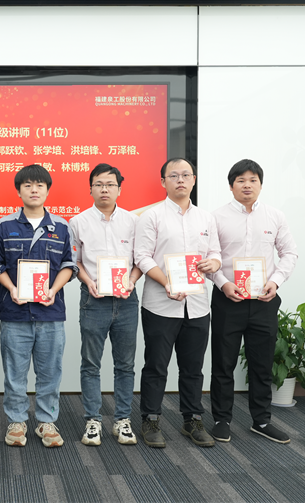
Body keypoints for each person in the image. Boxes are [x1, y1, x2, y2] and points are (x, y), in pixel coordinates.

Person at [134, 157, 221, 448]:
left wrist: (213, 263)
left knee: (193, 367)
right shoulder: (151, 216)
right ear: (163, 182)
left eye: (186, 175)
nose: (180, 180)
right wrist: (166, 282)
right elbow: (142, 257)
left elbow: (215, 253)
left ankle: (192, 419)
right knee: (156, 366)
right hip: (160, 304)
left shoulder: (206, 218)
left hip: (197, 305)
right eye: (174, 175)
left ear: (194, 180)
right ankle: (151, 419)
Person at [209, 159, 297, 444]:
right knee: (223, 362)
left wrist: (276, 281)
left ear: (260, 184)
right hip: (227, 299)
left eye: (253, 180)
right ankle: (222, 419)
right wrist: (223, 284)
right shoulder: (216, 217)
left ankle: (261, 420)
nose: (247, 185)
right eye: (241, 180)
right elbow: (209, 258)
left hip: (263, 300)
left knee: (262, 363)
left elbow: (290, 253)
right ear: (231, 185)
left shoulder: (275, 216)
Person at [0, 165, 76, 448]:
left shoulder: (62, 227)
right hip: (14, 313)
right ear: (19, 191)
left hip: (51, 313)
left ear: (48, 190)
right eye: (27, 185)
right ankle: (16, 421)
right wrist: (12, 288)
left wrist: (53, 290)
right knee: (14, 372)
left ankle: (46, 421)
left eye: (39, 185)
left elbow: (69, 265)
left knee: (50, 372)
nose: (34, 190)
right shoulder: (4, 226)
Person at [70, 163, 142, 446]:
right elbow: (74, 262)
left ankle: (122, 420)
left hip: (126, 301)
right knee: (91, 363)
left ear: (119, 189)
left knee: (125, 364)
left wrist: (131, 281)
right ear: (90, 189)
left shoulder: (133, 221)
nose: (104, 189)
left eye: (110, 184)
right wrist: (88, 281)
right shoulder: (78, 222)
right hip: (94, 300)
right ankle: (93, 420)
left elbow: (140, 259)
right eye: (99, 184)